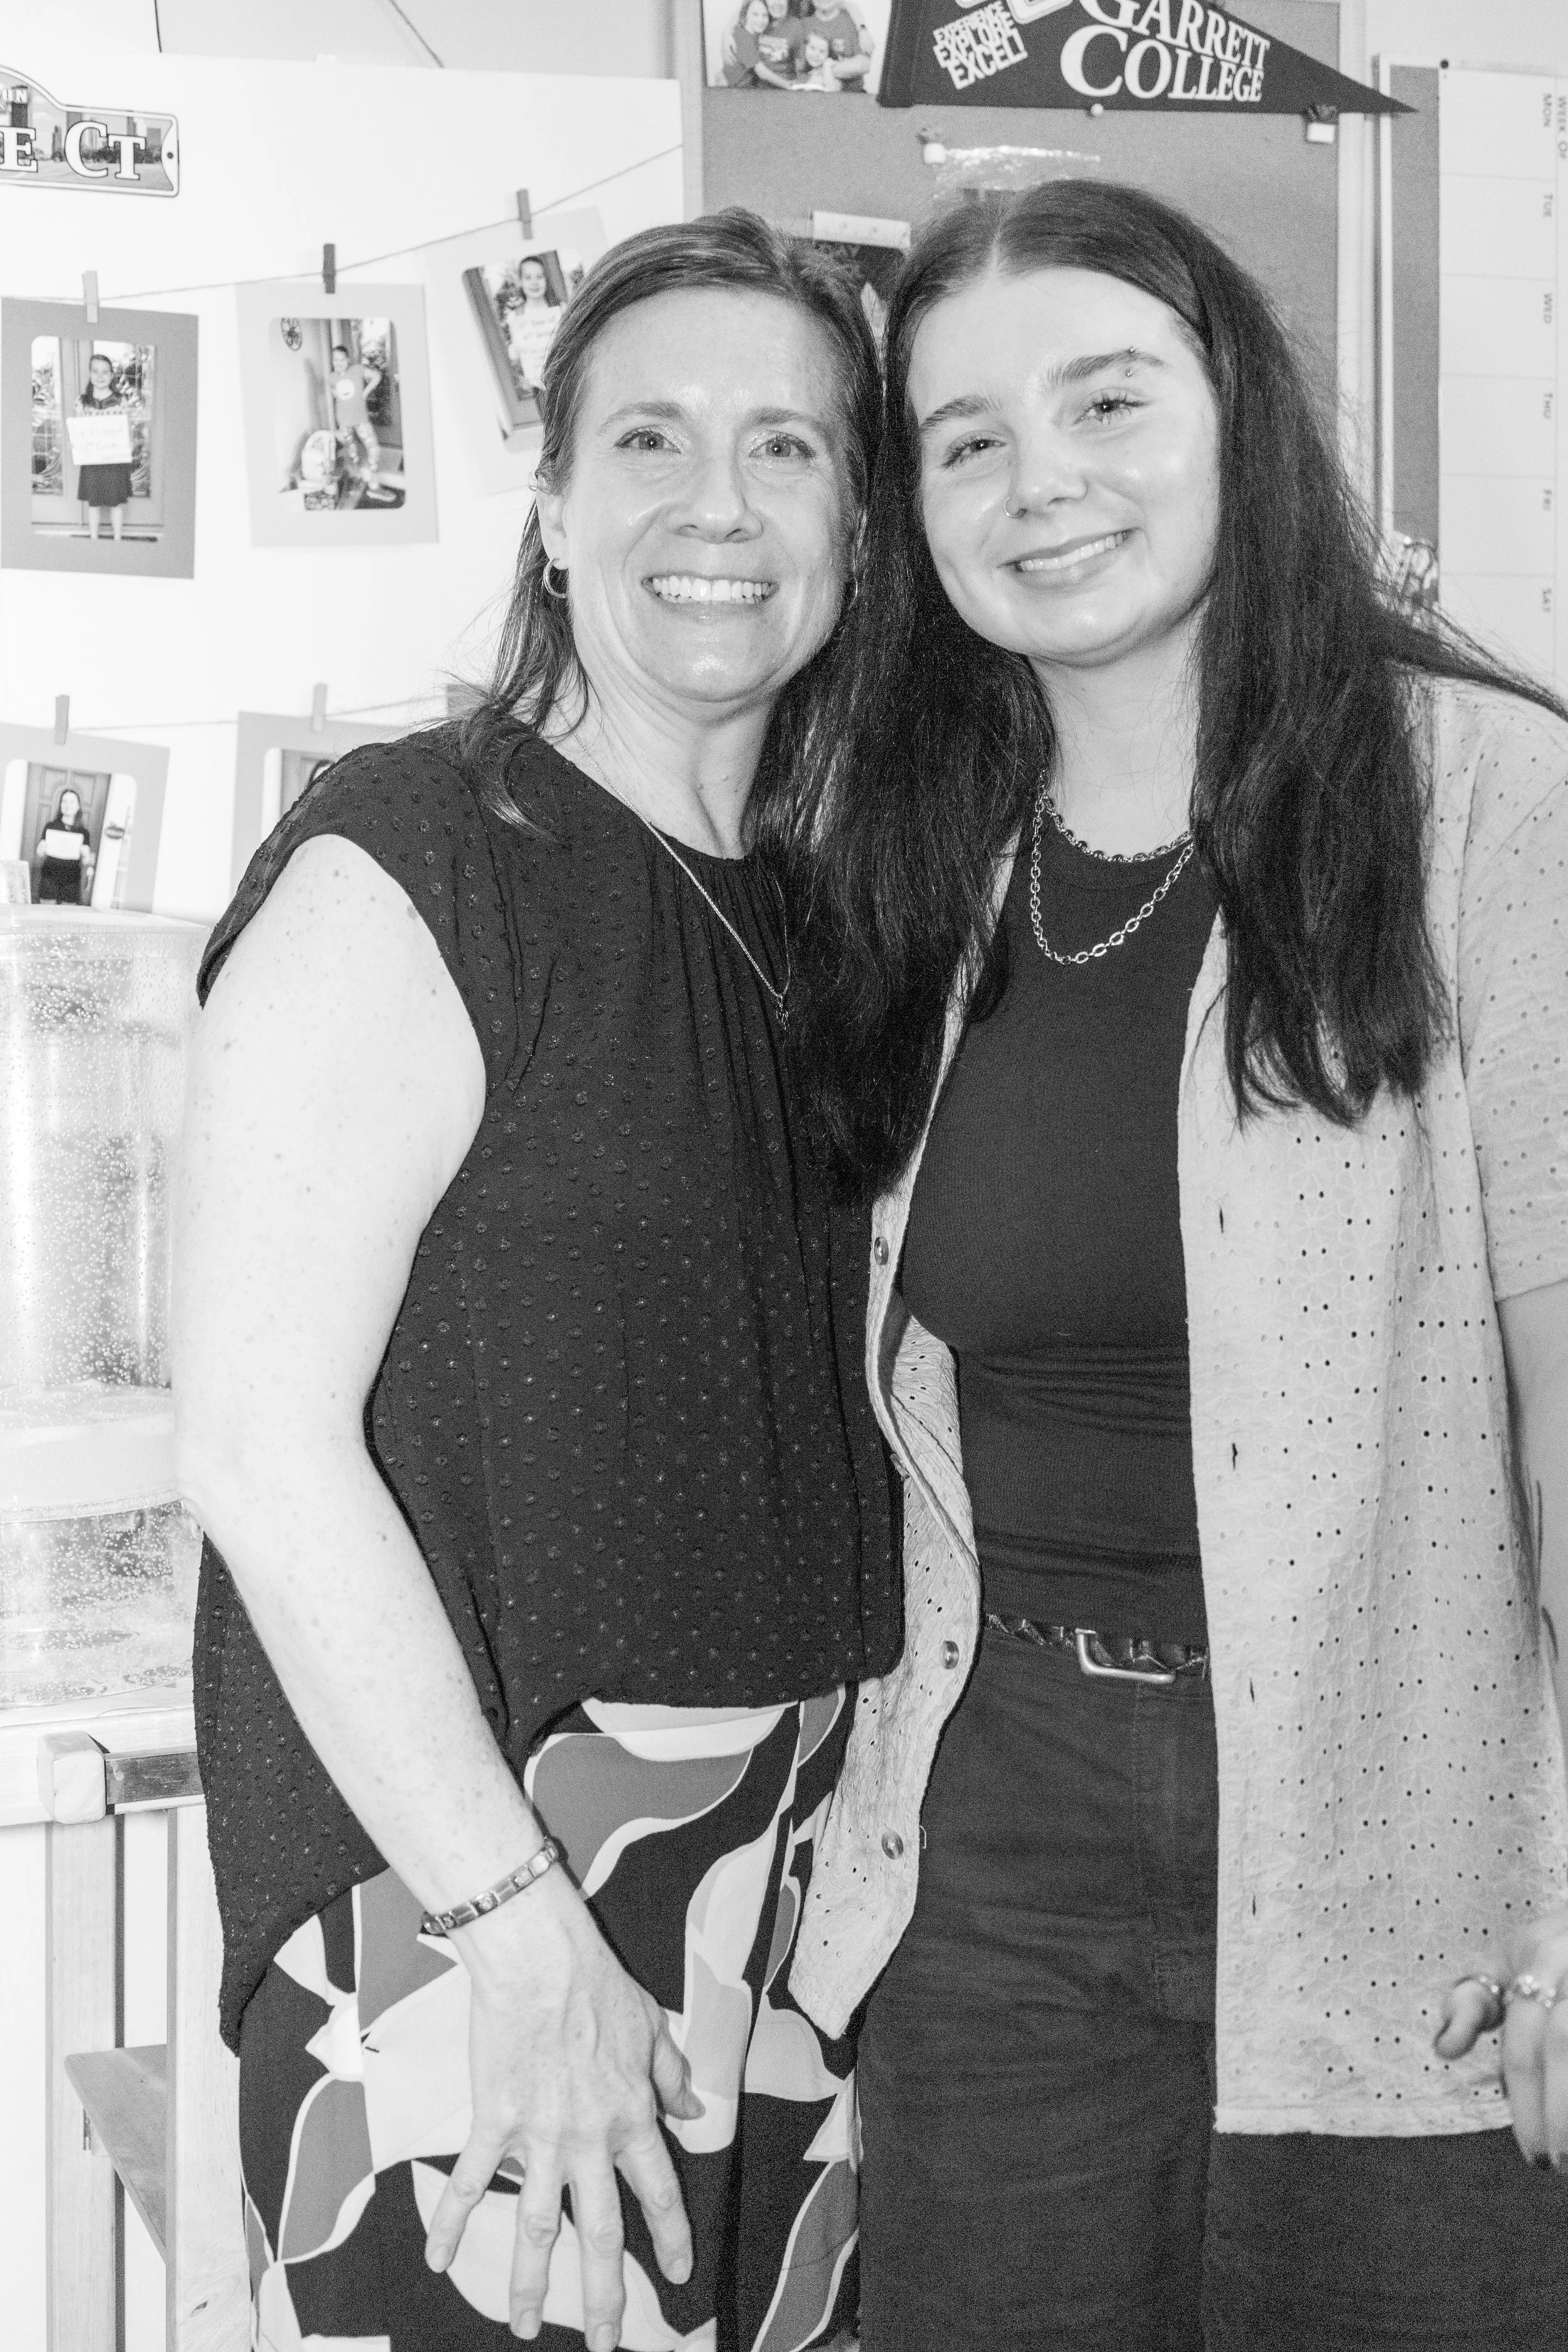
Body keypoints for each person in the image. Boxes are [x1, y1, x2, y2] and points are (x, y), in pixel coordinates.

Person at [783, 179, 1568, 2349]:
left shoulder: (1488, 801)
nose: (1041, 479)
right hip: (1001, 1841)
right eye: (964, 439)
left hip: (1408, 1823)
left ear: (1236, 415)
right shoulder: (914, 859)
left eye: (1106, 399)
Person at [172, 211, 889, 2352]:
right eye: (650, 438)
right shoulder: (417, 859)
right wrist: (522, 1935)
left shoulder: (823, 921)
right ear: (555, 508)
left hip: (781, 1913)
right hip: (486, 1917)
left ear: (857, 528)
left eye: (786, 446)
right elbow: (260, 1446)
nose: (716, 504)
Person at [75, 351, 134, 543]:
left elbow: (127, 430)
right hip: (92, 460)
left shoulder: (120, 400)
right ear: (90, 374)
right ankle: (94, 539)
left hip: (115, 460)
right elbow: (79, 430)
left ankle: (117, 540)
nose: (100, 376)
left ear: (111, 375)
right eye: (95, 371)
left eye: (105, 372)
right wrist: (77, 443)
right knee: (94, 503)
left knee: (116, 503)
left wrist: (128, 445)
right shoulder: (82, 402)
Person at [504, 255, 564, 394]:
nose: (534, 283)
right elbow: (517, 366)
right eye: (528, 278)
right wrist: (514, 355)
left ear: (546, 279)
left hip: (564, 379)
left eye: (539, 277)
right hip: (538, 388)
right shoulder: (516, 317)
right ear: (520, 281)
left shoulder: (560, 310)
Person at [329, 341, 382, 487]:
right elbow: (335, 394)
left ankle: (373, 475)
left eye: (342, 359)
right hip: (344, 421)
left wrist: (365, 393)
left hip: (360, 419)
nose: (339, 363)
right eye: (335, 360)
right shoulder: (331, 377)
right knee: (351, 452)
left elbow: (377, 376)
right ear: (333, 361)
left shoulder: (357, 370)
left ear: (348, 360)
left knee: (374, 448)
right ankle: (357, 476)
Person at [33, 785, 94, 904]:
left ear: (78, 806)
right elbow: (40, 853)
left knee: (68, 912)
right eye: (64, 801)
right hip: (49, 876)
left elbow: (85, 861)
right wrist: (40, 849)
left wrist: (86, 855)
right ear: (60, 805)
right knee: (46, 910)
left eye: (72, 802)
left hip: (72, 879)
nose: (68, 805)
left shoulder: (84, 832)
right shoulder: (50, 826)